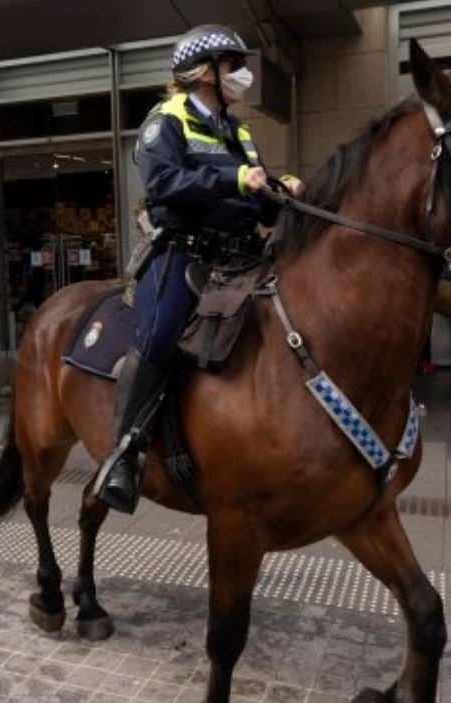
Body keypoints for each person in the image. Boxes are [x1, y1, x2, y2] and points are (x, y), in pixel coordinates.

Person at [95, 24, 303, 514]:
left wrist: (280, 191)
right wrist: (236, 177)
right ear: (204, 73)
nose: (242, 75)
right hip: (181, 255)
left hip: (240, 257)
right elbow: (165, 183)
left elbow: (257, 202)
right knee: (161, 335)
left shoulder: (240, 131)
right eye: (233, 66)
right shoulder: (165, 119)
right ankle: (123, 455)